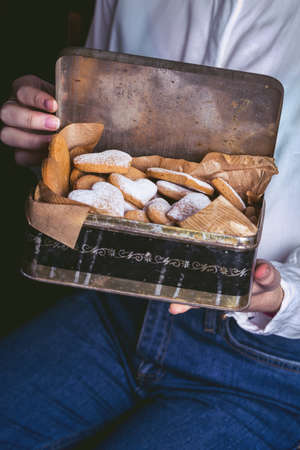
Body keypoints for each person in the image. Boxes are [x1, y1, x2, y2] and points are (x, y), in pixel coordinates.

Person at [0, 1, 300, 448]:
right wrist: (50, 144)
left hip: (268, 359)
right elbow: (106, 153)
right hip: (118, 300)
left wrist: (287, 292)